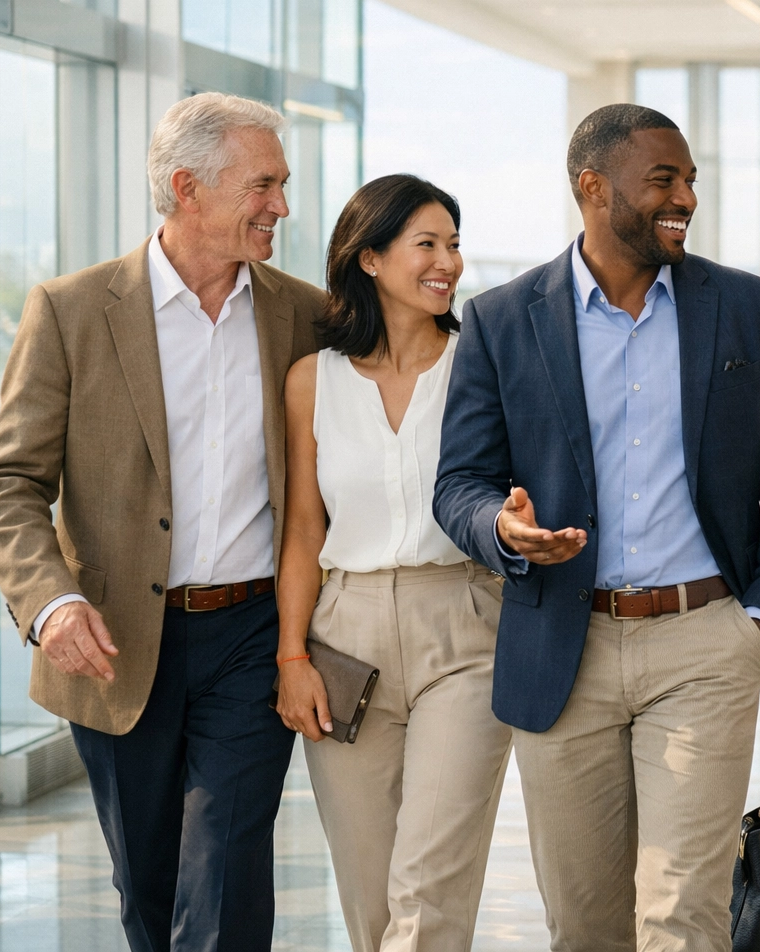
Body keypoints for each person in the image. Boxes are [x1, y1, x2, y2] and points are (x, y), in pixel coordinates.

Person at [431, 103, 760, 952]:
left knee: (683, 912)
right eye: (664, 180)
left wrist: (758, 623)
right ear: (593, 185)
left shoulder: (747, 308)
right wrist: (503, 533)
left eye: (689, 180)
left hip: (704, 642)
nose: (685, 196)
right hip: (560, 649)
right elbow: (458, 484)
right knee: (584, 923)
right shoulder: (503, 318)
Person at [0, 93, 326, 951]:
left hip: (251, 636)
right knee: (151, 887)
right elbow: (8, 483)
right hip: (115, 642)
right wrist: (50, 605)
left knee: (228, 873)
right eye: (264, 185)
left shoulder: (305, 315)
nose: (282, 206)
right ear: (187, 187)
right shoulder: (70, 310)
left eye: (282, 186)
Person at [274, 174, 513, 952]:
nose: (450, 261)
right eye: (428, 244)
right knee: (369, 893)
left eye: (454, 243)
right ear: (370, 258)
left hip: (467, 628)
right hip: (345, 636)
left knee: (431, 881)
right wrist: (292, 656)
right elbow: (304, 531)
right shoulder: (312, 381)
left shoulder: (485, 365)